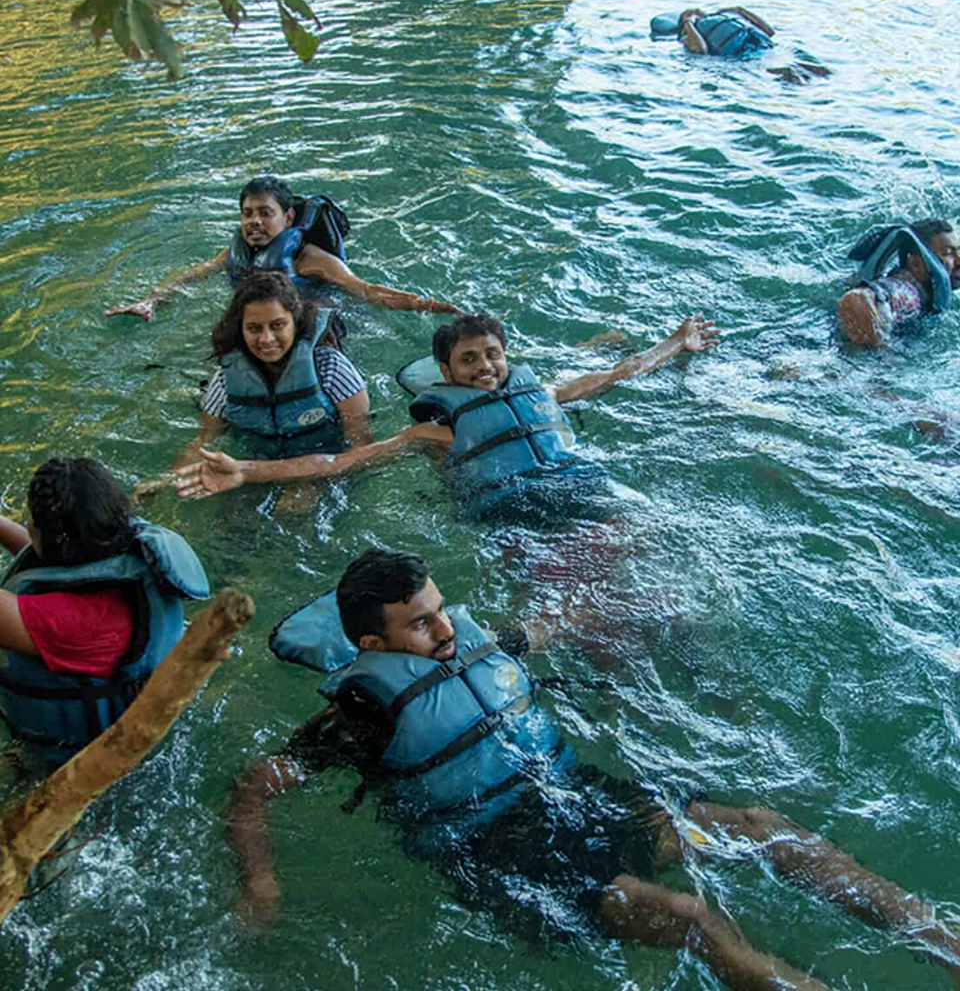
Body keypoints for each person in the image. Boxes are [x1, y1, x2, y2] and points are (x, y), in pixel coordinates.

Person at [227, 549, 960, 990]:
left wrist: (643, 607)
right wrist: (260, 882)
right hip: (499, 848)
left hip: (571, 795)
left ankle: (946, 944)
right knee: (690, 919)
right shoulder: (361, 717)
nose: (445, 629)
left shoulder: (468, 643)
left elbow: (553, 625)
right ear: (371, 645)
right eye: (421, 623)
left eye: (441, 609)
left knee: (763, 828)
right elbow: (255, 785)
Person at [173, 311, 720, 521]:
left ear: (507, 356)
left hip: (580, 492)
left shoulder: (547, 392)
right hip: (513, 518)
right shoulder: (435, 430)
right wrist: (248, 471)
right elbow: (339, 462)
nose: (484, 368)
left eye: (492, 355)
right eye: (469, 360)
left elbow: (621, 371)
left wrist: (678, 342)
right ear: (445, 372)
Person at [0, 458, 209, 765]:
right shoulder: (124, 561)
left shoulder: (75, 624)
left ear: (45, 535)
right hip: (137, 746)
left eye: (32, 520)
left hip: (71, 774)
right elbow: (48, 559)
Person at [105, 175, 461, 320]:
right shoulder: (236, 253)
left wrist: (425, 305)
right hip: (262, 324)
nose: (254, 222)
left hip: (310, 321)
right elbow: (191, 276)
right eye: (247, 214)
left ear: (288, 218)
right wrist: (151, 300)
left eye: (266, 213)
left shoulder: (310, 259)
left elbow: (366, 290)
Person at [177, 273, 372, 467]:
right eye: (254, 328)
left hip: (322, 462)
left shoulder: (331, 368)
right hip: (255, 462)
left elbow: (360, 446)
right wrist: (170, 480)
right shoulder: (225, 379)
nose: (267, 339)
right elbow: (203, 442)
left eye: (278, 325)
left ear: (295, 322)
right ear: (240, 329)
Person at [836, 218, 959, 347]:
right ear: (916, 263)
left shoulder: (924, 295)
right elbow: (856, 300)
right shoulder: (908, 291)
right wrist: (880, 353)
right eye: (947, 253)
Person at [650, 7, 830, 83]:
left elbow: (769, 32)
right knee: (789, 69)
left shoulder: (725, 20)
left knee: (801, 69)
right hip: (749, 56)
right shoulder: (687, 37)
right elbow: (700, 49)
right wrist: (689, 24)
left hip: (758, 49)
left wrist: (739, 10)